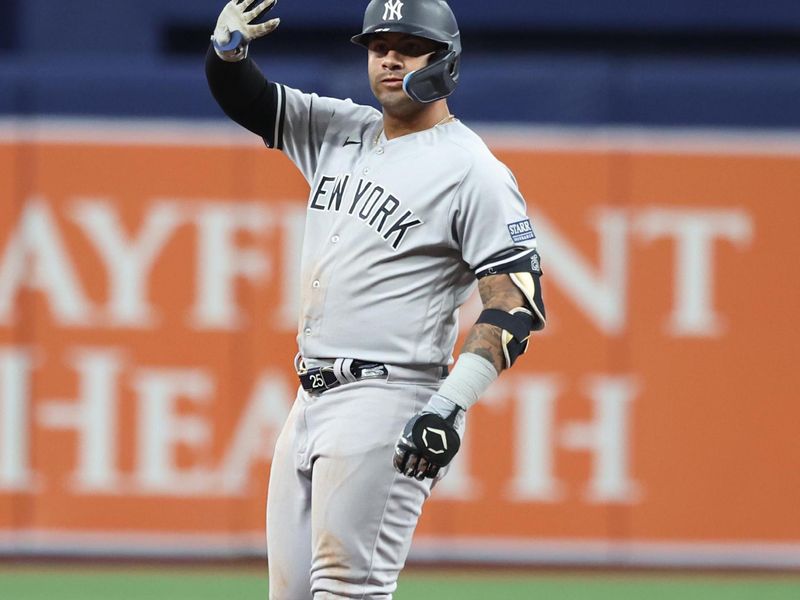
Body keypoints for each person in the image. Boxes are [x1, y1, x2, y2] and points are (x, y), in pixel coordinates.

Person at [205, 1, 546, 598]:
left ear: (445, 61)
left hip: (389, 398)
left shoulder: (473, 171)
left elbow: (516, 304)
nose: (390, 58)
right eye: (378, 45)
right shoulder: (342, 130)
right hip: (309, 396)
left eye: (409, 46)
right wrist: (227, 56)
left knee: (349, 590)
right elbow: (249, 100)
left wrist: (449, 405)